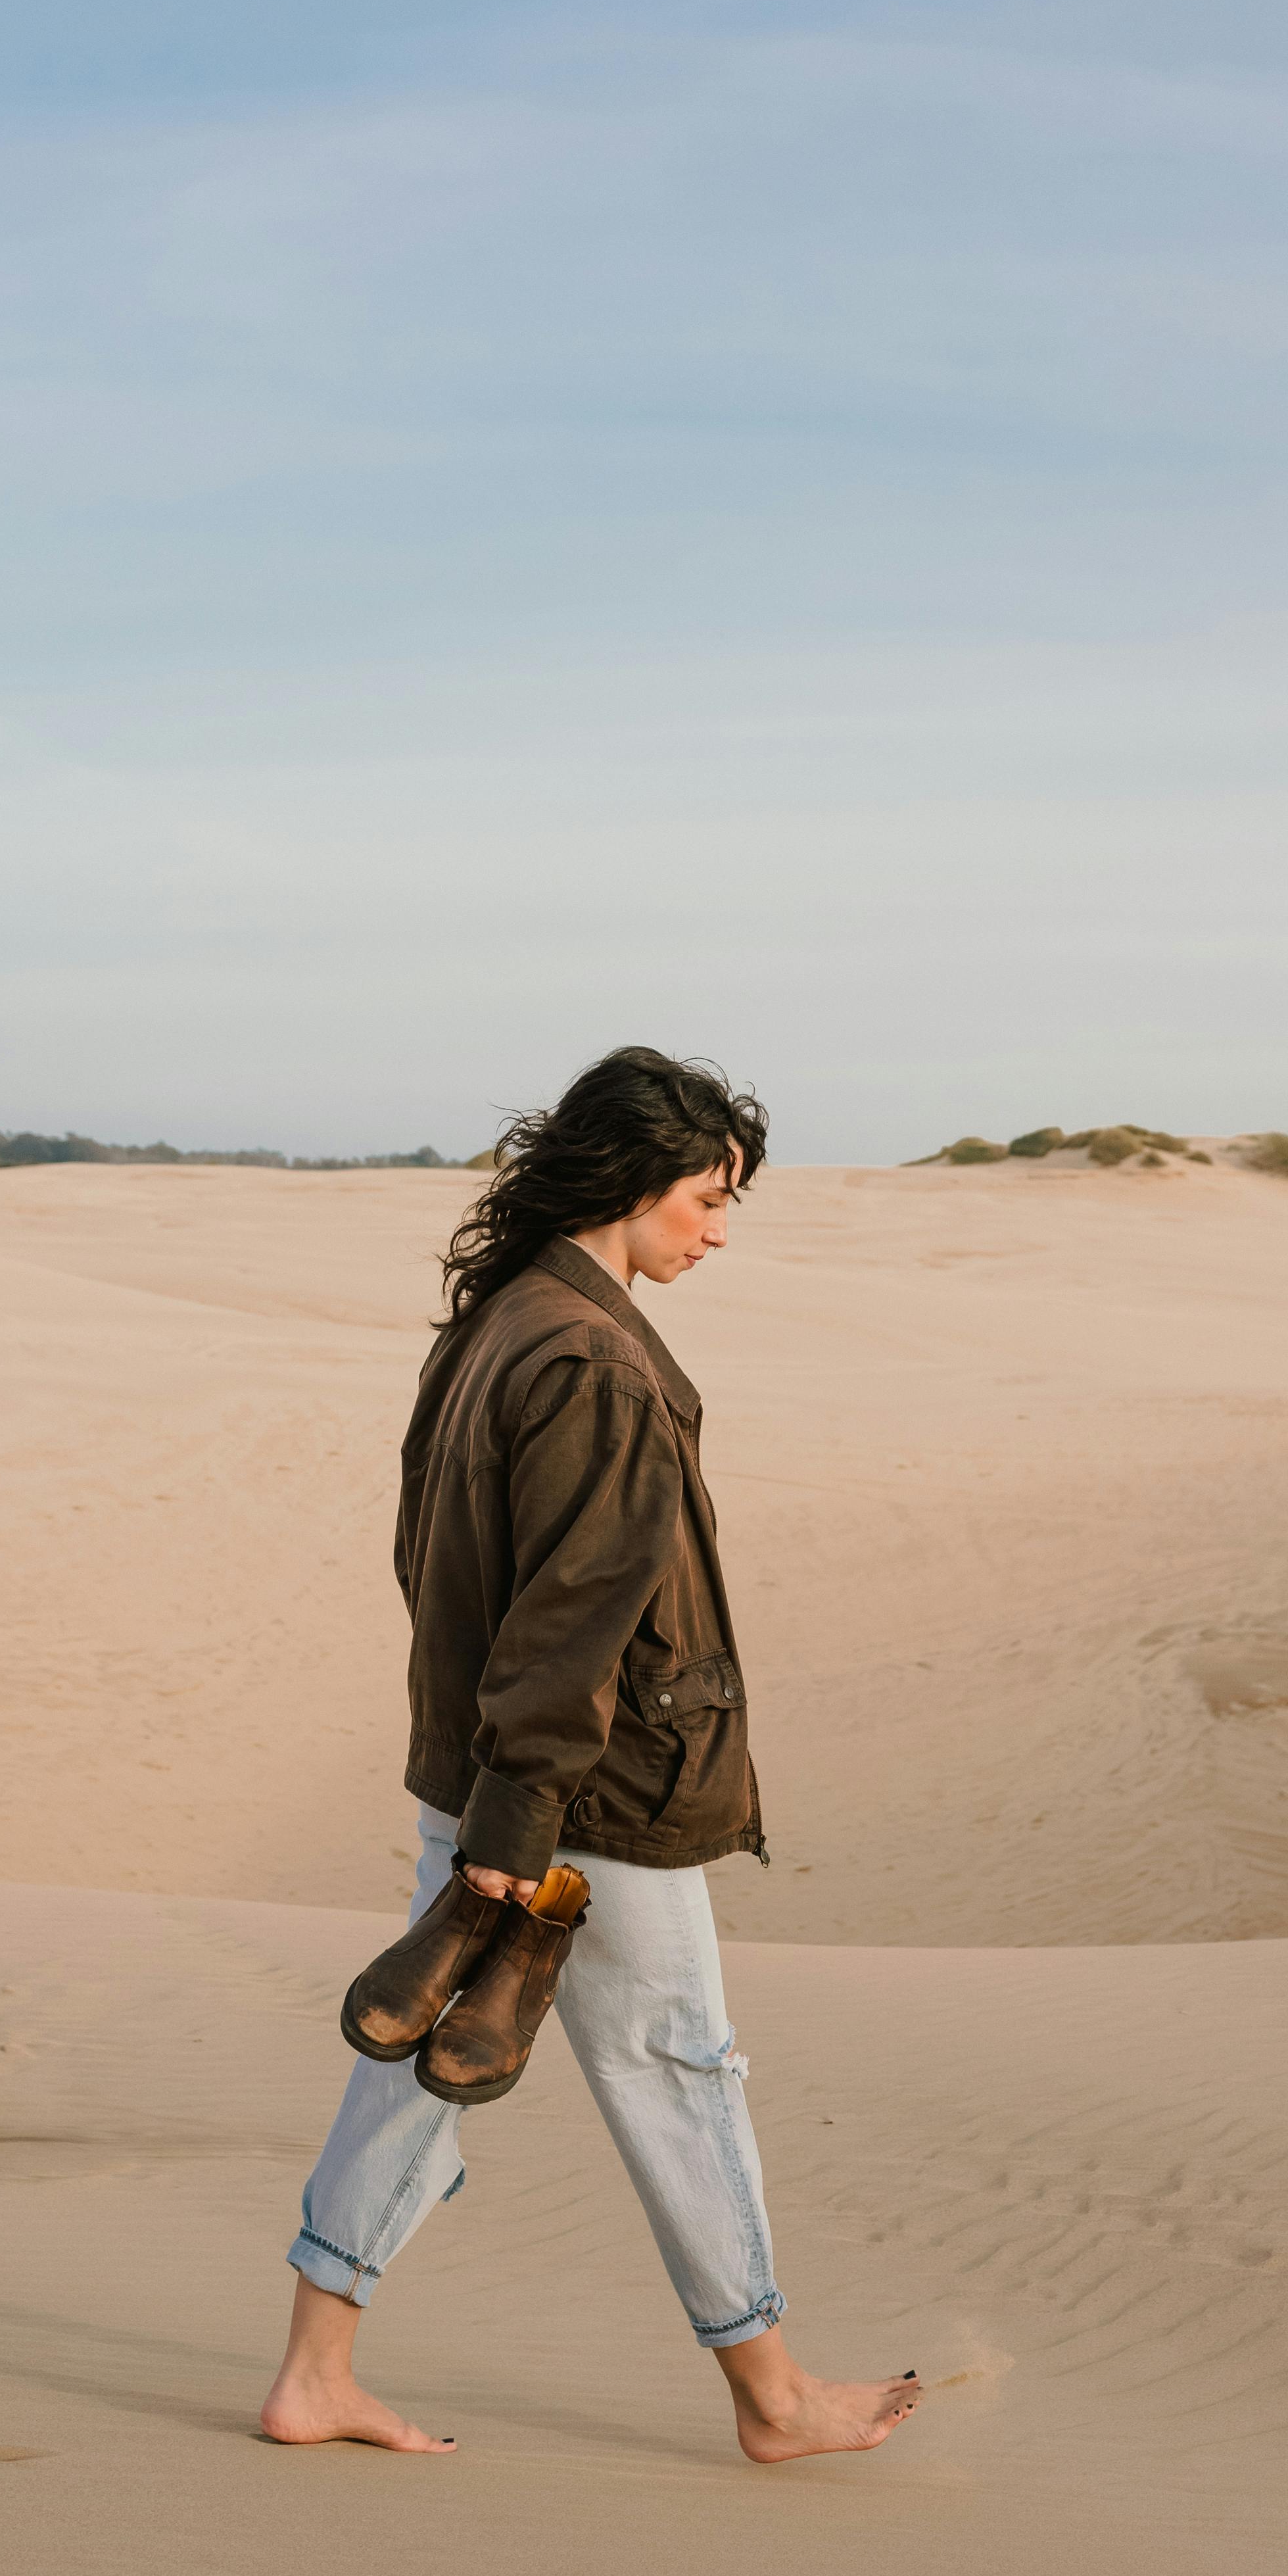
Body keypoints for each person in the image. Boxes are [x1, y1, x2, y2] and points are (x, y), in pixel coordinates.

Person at [260, 1046, 922, 2463]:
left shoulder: (507, 1316)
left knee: (421, 2057)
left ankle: (317, 2369)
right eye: (709, 1195)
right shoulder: (594, 1360)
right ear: (634, 1181)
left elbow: (433, 1565)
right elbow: (574, 1617)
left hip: (499, 1771)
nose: (720, 1229)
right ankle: (774, 2391)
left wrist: (487, 1791)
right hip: (584, 1792)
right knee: (680, 2063)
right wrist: (520, 1821)